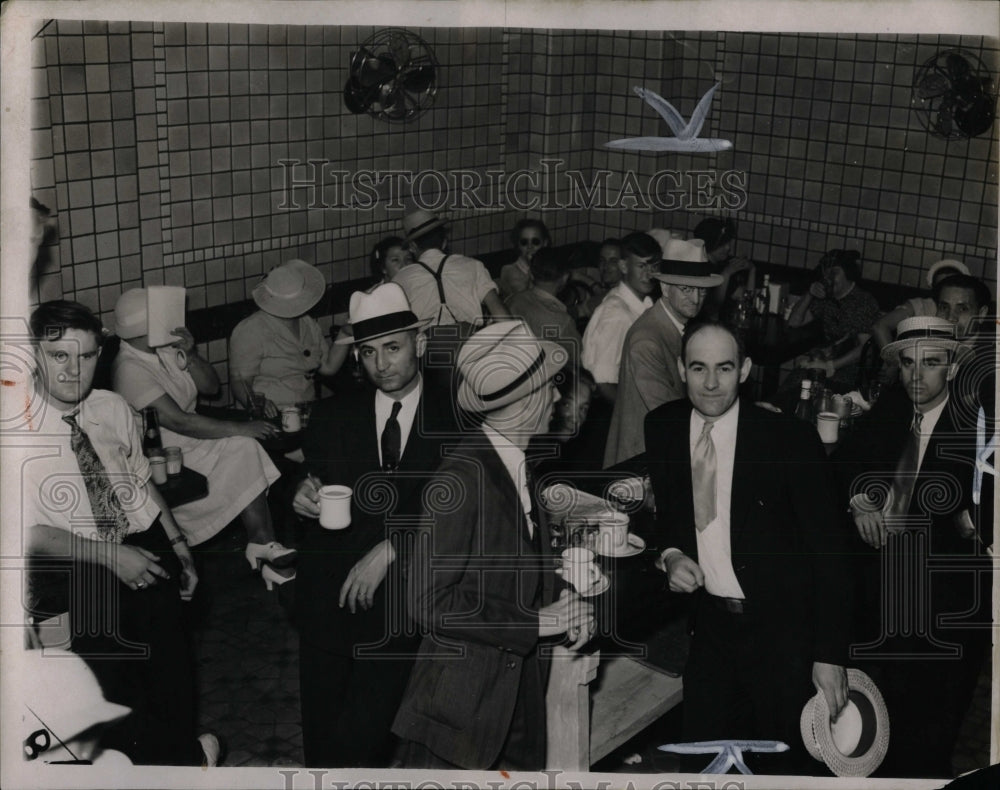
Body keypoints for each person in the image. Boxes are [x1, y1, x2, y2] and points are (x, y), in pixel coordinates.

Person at [644, 320, 851, 775]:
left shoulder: (789, 441)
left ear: (745, 369)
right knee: (701, 765)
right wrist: (673, 554)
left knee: (782, 769)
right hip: (712, 632)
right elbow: (671, 518)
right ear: (681, 369)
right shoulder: (662, 427)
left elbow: (831, 554)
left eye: (724, 367)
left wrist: (830, 655)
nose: (711, 383)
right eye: (698, 368)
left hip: (784, 636)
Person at [21, 300, 217, 766]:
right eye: (59, 356)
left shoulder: (111, 409)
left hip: (144, 550)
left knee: (172, 682)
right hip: (76, 573)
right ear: (33, 355)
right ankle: (190, 761)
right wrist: (110, 557)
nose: (75, 371)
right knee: (116, 704)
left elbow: (139, 485)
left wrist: (179, 545)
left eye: (86, 357)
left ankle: (184, 759)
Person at [392, 321, 596, 770]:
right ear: (525, 401)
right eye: (551, 388)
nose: (559, 398)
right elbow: (428, 602)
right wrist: (533, 623)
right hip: (462, 711)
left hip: (512, 691)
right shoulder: (461, 478)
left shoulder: (517, 466)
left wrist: (565, 605)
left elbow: (517, 574)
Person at [290, 282, 457, 768]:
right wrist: (301, 494)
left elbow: (463, 510)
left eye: (392, 348)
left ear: (418, 344)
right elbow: (312, 476)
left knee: (370, 734)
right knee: (322, 732)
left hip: (406, 601)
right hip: (330, 596)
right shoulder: (333, 415)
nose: (381, 364)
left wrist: (392, 547)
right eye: (367, 353)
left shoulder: (456, 416)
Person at [832, 316, 990, 778]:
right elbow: (845, 465)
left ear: (954, 368)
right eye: (907, 364)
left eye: (931, 364)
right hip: (883, 590)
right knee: (870, 716)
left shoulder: (980, 422)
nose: (916, 376)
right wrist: (860, 499)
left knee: (924, 736)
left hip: (945, 600)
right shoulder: (896, 404)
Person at [111, 288, 294, 588]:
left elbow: (210, 388)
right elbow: (179, 421)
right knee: (244, 443)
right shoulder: (128, 369)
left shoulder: (164, 348)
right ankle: (264, 546)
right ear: (142, 327)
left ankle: (263, 542)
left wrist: (191, 354)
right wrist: (241, 427)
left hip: (194, 435)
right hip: (163, 452)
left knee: (245, 448)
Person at [604, 238, 722, 468]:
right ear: (665, 288)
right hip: (638, 465)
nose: (696, 299)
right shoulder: (646, 340)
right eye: (687, 289)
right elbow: (670, 415)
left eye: (702, 290)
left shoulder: (678, 326)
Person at [229, 259, 348, 414]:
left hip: (306, 410)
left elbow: (328, 367)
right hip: (271, 415)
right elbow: (240, 381)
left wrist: (346, 334)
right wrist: (258, 403)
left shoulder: (307, 323)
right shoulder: (251, 329)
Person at [393, 208, 510, 333]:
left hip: (427, 348)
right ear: (444, 242)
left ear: (412, 247)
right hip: (469, 345)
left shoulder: (400, 279)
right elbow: (503, 318)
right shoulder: (473, 266)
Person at [786, 249, 880, 392]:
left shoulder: (863, 302)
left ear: (848, 273)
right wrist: (809, 294)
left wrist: (831, 365)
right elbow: (793, 322)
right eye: (825, 272)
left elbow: (865, 348)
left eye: (834, 272)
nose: (828, 277)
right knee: (792, 385)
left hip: (852, 372)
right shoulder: (826, 298)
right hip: (824, 364)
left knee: (805, 386)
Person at [581, 232, 659, 405]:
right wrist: (633, 414)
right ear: (624, 267)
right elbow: (602, 382)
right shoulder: (617, 315)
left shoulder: (641, 303)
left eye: (654, 266)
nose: (649, 274)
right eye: (641, 266)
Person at [506, 246, 582, 371]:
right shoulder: (561, 321)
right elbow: (580, 364)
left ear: (531, 274)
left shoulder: (512, 300)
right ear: (564, 278)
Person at [870, 259, 970, 349]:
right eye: (941, 286)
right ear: (933, 288)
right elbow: (880, 327)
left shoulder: (969, 312)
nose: (946, 291)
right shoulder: (919, 306)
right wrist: (895, 362)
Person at [691, 217, 754, 320]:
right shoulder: (698, 268)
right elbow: (711, 310)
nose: (728, 248)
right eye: (722, 244)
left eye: (728, 242)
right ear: (708, 244)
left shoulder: (722, 265)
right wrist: (726, 274)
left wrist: (752, 270)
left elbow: (745, 299)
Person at [498, 218, 550, 300]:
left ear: (545, 243)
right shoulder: (509, 271)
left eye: (535, 242)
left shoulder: (549, 267)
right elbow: (525, 300)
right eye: (524, 242)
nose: (530, 247)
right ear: (518, 245)